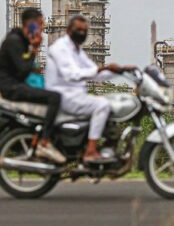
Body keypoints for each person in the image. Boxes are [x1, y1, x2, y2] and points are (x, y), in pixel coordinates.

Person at [45, 15, 135, 164]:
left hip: (75, 95)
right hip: (63, 96)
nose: (81, 33)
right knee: (102, 105)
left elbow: (94, 72)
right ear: (68, 30)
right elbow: (72, 74)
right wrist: (103, 68)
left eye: (84, 30)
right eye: (78, 30)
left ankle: (106, 146)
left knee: (111, 104)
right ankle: (91, 151)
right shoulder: (60, 48)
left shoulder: (77, 51)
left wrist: (121, 70)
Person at [0, 8, 65, 164]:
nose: (43, 28)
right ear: (31, 24)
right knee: (55, 98)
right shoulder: (14, 41)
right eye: (40, 24)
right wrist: (34, 49)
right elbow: (22, 70)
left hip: (15, 84)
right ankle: (45, 142)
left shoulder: (19, 40)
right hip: (11, 87)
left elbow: (25, 66)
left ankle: (42, 137)